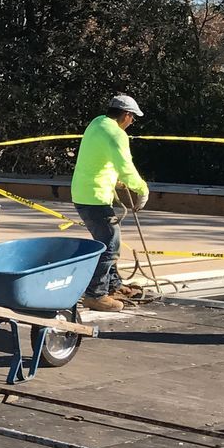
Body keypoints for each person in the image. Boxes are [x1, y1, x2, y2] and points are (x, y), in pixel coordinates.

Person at [69, 94, 149, 312]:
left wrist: (116, 181)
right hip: (94, 197)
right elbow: (125, 165)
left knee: (108, 240)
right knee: (110, 245)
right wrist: (141, 188)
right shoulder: (116, 134)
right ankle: (96, 294)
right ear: (126, 115)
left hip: (85, 193)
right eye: (133, 118)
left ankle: (113, 285)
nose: (132, 122)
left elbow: (101, 159)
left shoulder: (97, 124)